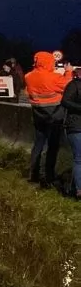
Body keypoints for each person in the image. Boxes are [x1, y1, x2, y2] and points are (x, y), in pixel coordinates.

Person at [25, 51, 73, 187]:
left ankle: (33, 175)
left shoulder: (28, 76)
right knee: (52, 146)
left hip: (38, 114)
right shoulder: (53, 77)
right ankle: (49, 176)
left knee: (38, 144)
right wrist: (68, 72)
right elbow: (67, 86)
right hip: (55, 115)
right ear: (48, 62)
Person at [60, 69, 81, 199]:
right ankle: (79, 189)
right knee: (79, 158)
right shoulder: (74, 85)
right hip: (76, 126)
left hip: (75, 126)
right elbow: (65, 101)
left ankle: (75, 188)